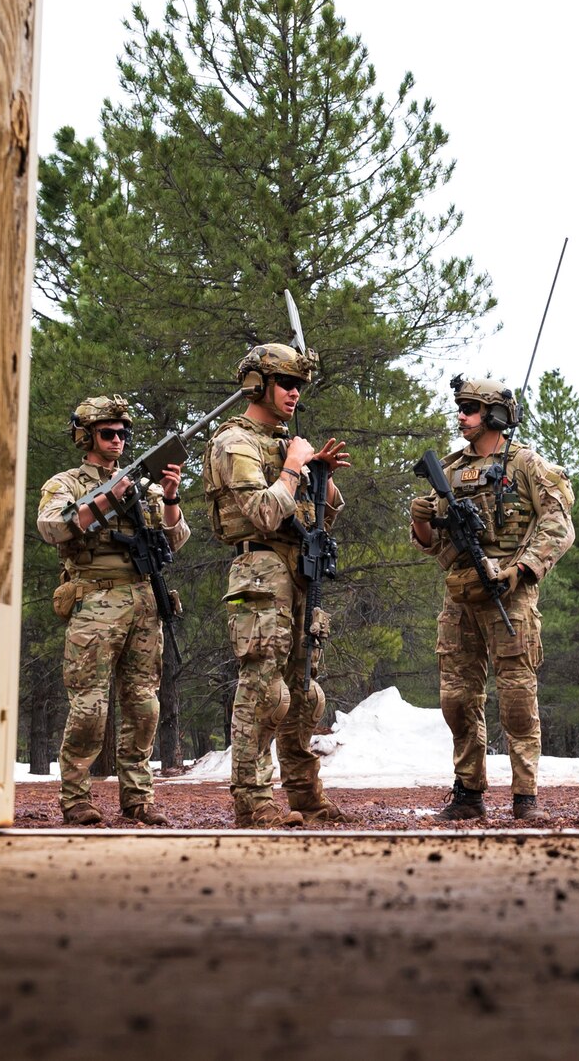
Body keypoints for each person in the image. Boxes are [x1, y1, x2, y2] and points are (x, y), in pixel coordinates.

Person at [410, 375, 575, 821]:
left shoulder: (526, 465)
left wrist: (520, 570)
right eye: (460, 407)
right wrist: (421, 519)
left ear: (495, 416)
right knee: (457, 700)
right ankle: (468, 793)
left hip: (510, 594)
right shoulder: (447, 469)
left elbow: (559, 526)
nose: (460, 415)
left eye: (469, 408)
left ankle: (525, 797)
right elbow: (430, 545)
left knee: (517, 699)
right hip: (461, 595)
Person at [204, 344, 353, 827]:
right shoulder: (234, 442)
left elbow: (319, 517)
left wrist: (320, 481)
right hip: (259, 574)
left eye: (299, 385)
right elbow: (264, 513)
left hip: (299, 571)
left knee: (305, 694)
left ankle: (305, 794)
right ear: (256, 385)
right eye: (286, 383)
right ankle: (252, 799)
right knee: (264, 692)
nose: (294, 392)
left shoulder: (284, 442)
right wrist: (294, 467)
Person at [35, 395, 188, 826]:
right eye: (108, 433)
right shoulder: (67, 483)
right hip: (95, 603)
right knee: (89, 707)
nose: (118, 440)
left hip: (143, 604)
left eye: (123, 433)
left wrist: (171, 499)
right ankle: (77, 798)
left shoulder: (145, 488)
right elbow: (50, 527)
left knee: (144, 706)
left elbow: (174, 541)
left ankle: (138, 798)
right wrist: (104, 502)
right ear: (86, 437)